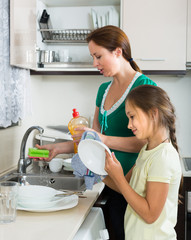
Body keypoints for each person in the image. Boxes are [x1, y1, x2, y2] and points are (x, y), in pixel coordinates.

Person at [36, 25, 156, 239]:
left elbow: (146, 142)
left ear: (118, 52)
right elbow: (93, 141)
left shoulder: (144, 87)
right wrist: (60, 147)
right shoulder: (103, 90)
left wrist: (101, 138)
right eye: (93, 57)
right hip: (107, 179)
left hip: (131, 184)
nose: (94, 63)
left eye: (98, 56)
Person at [104, 85, 182, 240]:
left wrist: (118, 177)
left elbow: (150, 215)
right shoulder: (146, 150)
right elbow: (125, 187)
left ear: (153, 113)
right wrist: (97, 175)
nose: (129, 125)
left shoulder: (163, 157)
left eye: (132, 117)